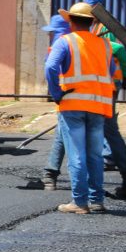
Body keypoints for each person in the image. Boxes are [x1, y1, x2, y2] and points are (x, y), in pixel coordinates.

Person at [44, 2, 116, 214]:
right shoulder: (105, 45)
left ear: (71, 22)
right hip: (99, 106)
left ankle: (79, 202)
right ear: (92, 22)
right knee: (95, 155)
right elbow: (110, 71)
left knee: (76, 155)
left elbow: (50, 66)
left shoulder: (65, 41)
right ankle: (97, 201)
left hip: (73, 104)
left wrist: (56, 93)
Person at [83, 0, 126, 199]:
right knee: (109, 129)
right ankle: (122, 173)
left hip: (104, 85)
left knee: (99, 129)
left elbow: (116, 51)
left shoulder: (105, 29)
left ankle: (98, 177)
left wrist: (124, 76)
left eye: (91, 7)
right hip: (103, 85)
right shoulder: (97, 25)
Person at [40, 12, 71, 191]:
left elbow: (50, 67)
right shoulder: (75, 42)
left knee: (63, 135)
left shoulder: (60, 43)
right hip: (83, 99)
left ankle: (50, 175)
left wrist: (56, 93)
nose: (50, 34)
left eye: (53, 31)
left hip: (67, 98)